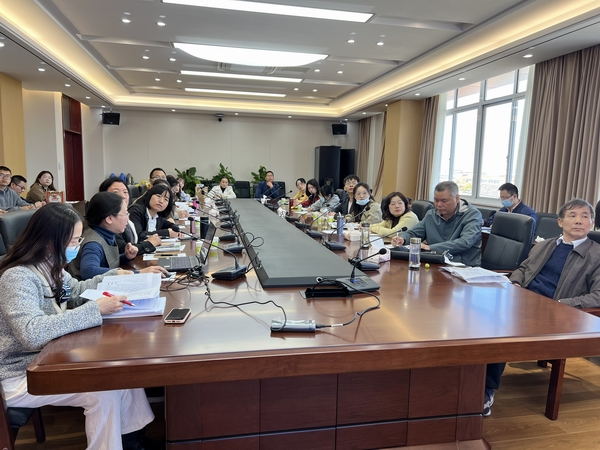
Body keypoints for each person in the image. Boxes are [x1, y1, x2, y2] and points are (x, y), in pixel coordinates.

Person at [0, 203, 154, 449]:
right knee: (103, 390)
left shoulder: (51, 265)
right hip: (18, 373)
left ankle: (132, 440)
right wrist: (96, 309)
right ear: (49, 240)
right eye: (73, 240)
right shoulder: (18, 277)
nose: (77, 246)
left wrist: (114, 276)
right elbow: (31, 332)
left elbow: (76, 291)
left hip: (47, 358)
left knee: (120, 373)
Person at [485, 198, 600, 416]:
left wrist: (560, 305)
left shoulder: (596, 255)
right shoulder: (546, 245)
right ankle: (462, 381)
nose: (579, 221)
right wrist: (515, 284)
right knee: (478, 317)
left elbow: (598, 296)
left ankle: (485, 390)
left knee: (498, 330)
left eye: (585, 216)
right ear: (560, 222)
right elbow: (522, 269)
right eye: (573, 215)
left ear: (592, 223)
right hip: (523, 303)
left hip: (557, 315)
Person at [69, 192, 168, 280]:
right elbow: (88, 271)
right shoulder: (93, 244)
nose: (128, 218)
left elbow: (107, 263)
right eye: (125, 213)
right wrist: (137, 273)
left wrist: (126, 257)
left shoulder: (106, 234)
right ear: (109, 219)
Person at [391, 181, 482, 266]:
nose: (439, 205)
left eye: (444, 201)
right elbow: (414, 233)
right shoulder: (431, 214)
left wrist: (430, 248)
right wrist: (402, 238)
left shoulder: (472, 215)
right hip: (436, 262)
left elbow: (465, 242)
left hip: (463, 266)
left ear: (457, 198)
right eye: (436, 200)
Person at [99, 177, 161, 255]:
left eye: (125, 192)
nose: (123, 196)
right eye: (115, 192)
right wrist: (149, 244)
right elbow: (123, 248)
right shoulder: (107, 220)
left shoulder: (126, 216)